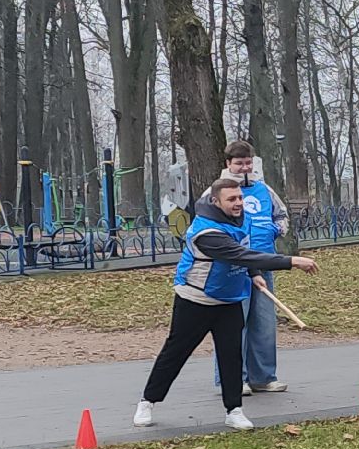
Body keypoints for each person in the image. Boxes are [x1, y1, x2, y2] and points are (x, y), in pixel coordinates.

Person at [134, 178, 317, 431]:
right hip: (196, 299)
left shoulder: (242, 219)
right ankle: (147, 401)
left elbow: (245, 248)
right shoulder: (206, 232)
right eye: (231, 199)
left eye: (240, 197)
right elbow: (239, 254)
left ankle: (234, 410)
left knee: (231, 355)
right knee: (175, 353)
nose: (238, 203)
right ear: (215, 202)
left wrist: (254, 274)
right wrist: (291, 261)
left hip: (229, 298)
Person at [205, 141, 291, 395]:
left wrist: (277, 229)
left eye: (248, 162)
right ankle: (232, 379)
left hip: (263, 263)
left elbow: (281, 215)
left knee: (264, 323)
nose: (244, 167)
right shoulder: (216, 190)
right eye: (239, 163)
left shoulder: (264, 189)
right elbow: (207, 224)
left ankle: (263, 377)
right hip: (233, 268)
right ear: (228, 164)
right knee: (234, 324)